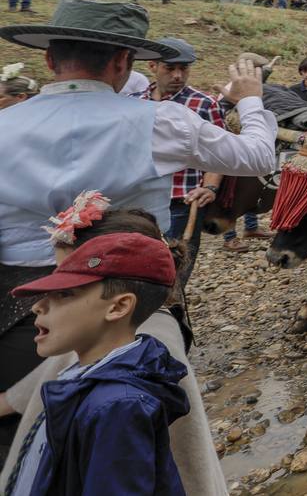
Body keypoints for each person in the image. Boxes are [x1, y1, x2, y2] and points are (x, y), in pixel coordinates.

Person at [0, 0, 276, 444]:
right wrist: (252, 101)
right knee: (141, 438)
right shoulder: (160, 121)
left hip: (16, 307)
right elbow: (259, 155)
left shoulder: (3, 125)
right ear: (123, 61)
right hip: (128, 301)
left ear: (49, 58)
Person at [0, 198, 228, 495]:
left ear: (119, 306)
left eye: (65, 293)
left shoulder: (118, 407)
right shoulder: (89, 374)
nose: (38, 306)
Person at [137, 38, 242, 244]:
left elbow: (219, 152)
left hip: (183, 200)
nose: (177, 75)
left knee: (177, 265)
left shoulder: (204, 104)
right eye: (170, 68)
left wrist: (210, 188)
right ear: (152, 66)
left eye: (183, 69)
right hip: (138, 199)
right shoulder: (134, 102)